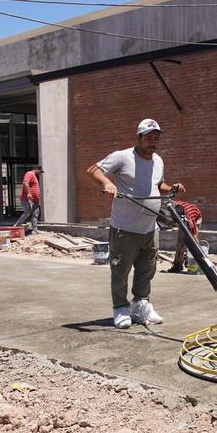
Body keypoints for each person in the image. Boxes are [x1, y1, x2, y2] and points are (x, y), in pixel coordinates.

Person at [86, 118, 185, 329]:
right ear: (138, 137)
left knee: (146, 271)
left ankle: (141, 305)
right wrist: (108, 183)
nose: (153, 142)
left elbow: (158, 184)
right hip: (125, 228)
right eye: (149, 138)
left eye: (156, 139)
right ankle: (120, 308)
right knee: (120, 271)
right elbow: (93, 170)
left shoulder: (158, 161)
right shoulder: (122, 157)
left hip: (150, 228)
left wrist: (171, 188)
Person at [168, 200, 203, 273]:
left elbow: (193, 231)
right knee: (181, 243)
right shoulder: (173, 207)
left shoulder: (189, 216)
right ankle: (179, 265)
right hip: (184, 218)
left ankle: (189, 264)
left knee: (191, 243)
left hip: (195, 219)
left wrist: (194, 239)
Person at [15, 165, 43, 234]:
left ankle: (34, 230)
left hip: (35, 200)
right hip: (27, 198)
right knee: (28, 211)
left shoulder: (34, 176)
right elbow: (25, 182)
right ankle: (16, 226)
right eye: (40, 171)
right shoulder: (29, 174)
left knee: (35, 214)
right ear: (37, 169)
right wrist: (29, 193)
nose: (40, 173)